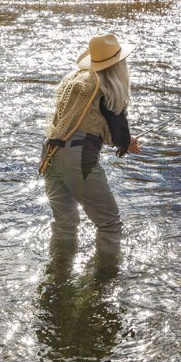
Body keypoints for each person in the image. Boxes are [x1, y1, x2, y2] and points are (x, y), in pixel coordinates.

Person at [41, 32, 141, 260]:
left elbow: (81, 121)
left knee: (65, 222)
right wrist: (127, 143)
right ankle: (105, 277)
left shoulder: (76, 80)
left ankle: (57, 275)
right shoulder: (110, 87)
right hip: (79, 157)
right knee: (109, 224)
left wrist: (123, 141)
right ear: (118, 64)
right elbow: (118, 134)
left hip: (49, 152)